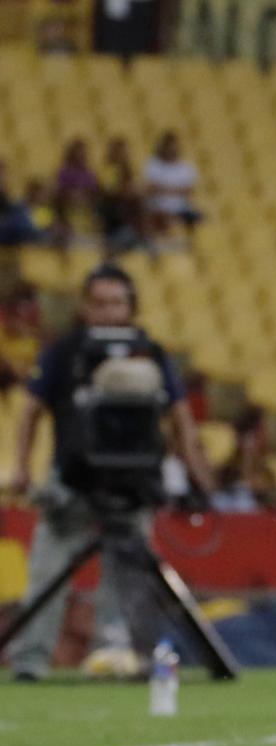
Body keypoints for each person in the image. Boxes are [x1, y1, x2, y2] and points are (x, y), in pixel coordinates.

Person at [3, 264, 217, 681]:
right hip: (73, 479)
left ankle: (113, 655)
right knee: (47, 572)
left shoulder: (151, 353)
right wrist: (24, 468)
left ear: (132, 307)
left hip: (133, 482)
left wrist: (196, 472)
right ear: (85, 307)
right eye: (99, 303)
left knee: (127, 575)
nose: (108, 311)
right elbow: (30, 411)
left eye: (117, 302)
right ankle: (29, 661)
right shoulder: (63, 351)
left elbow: (180, 416)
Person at [141, 131, 200, 239]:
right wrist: (176, 190)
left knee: (197, 218)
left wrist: (162, 188)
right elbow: (150, 188)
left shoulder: (186, 167)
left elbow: (189, 191)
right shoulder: (154, 165)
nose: (171, 149)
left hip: (180, 208)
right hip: (158, 207)